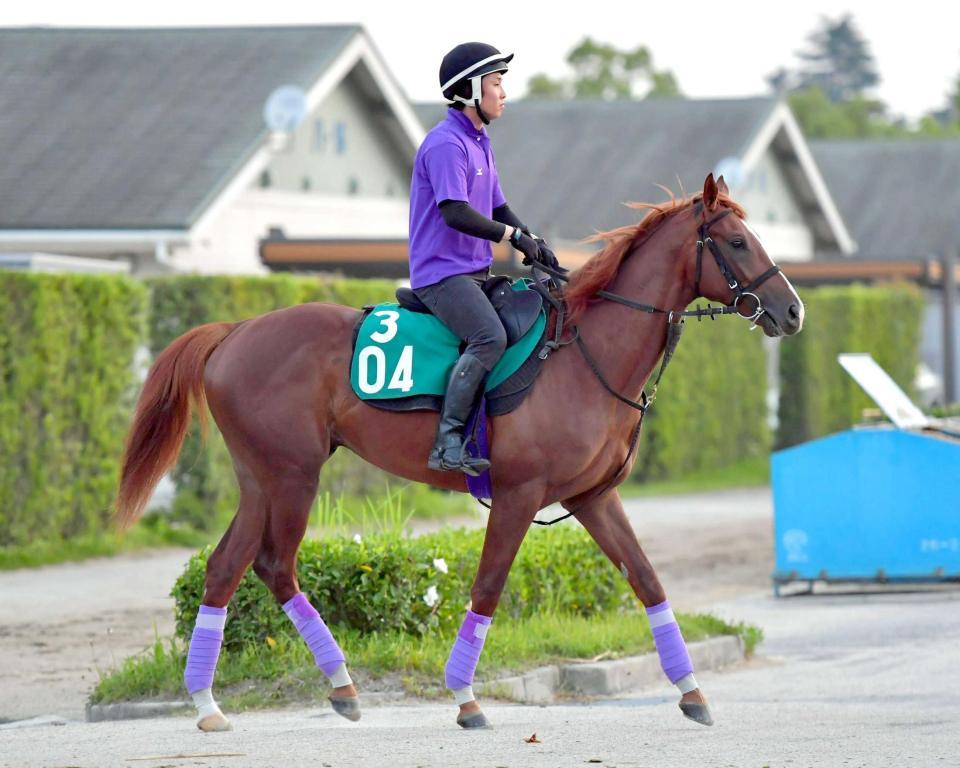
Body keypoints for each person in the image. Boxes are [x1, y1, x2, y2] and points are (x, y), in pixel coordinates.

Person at [408, 42, 560, 476]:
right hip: (441, 276)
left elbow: (497, 209)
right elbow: (454, 212)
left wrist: (530, 237)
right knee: (489, 337)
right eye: (496, 84)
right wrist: (512, 236)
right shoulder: (445, 144)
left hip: (474, 274)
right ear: (472, 89)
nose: (503, 93)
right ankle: (447, 441)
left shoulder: (480, 143)